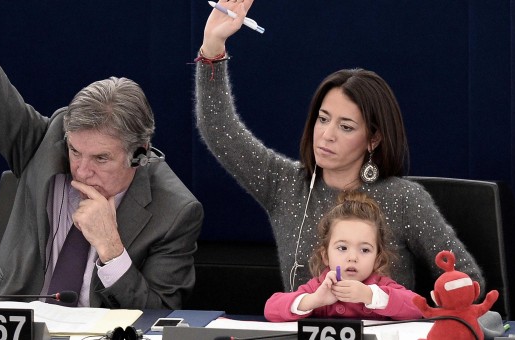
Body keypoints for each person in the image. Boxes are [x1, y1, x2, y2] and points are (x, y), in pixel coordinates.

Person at [194, 0, 483, 295]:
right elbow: (220, 131)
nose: (326, 135)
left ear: (374, 139)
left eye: (346, 127)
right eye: (323, 119)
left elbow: (466, 281)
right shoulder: (285, 185)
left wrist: (427, 319)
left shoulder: (404, 199)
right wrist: (213, 47)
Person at [0, 0, 203, 309]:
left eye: (101, 159)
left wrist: (111, 248)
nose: (82, 171)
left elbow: (159, 314)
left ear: (140, 154)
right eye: (75, 151)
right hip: (9, 323)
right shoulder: (46, 143)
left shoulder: (176, 210)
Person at [264, 191, 422, 322]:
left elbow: (418, 307)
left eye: (365, 250)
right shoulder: (319, 286)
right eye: (342, 248)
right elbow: (271, 308)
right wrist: (314, 300)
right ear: (325, 256)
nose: (352, 257)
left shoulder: (381, 286)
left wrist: (370, 295)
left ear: (377, 260)